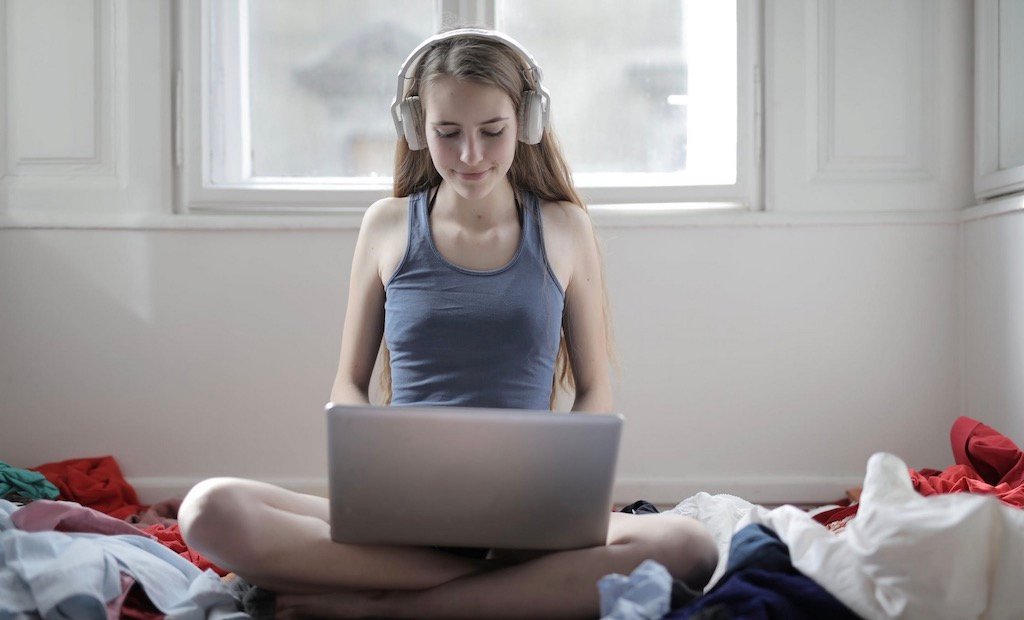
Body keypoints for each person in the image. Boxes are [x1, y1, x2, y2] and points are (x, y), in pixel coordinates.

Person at [179, 28, 717, 618]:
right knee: (209, 509)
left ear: (527, 123)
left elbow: (594, 390)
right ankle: (489, 586)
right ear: (415, 130)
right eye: (447, 133)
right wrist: (369, 477)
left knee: (687, 545)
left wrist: (565, 498)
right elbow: (348, 384)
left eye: (492, 133)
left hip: (528, 514)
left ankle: (388, 605)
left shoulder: (564, 228)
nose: (470, 156)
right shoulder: (385, 225)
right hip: (403, 510)